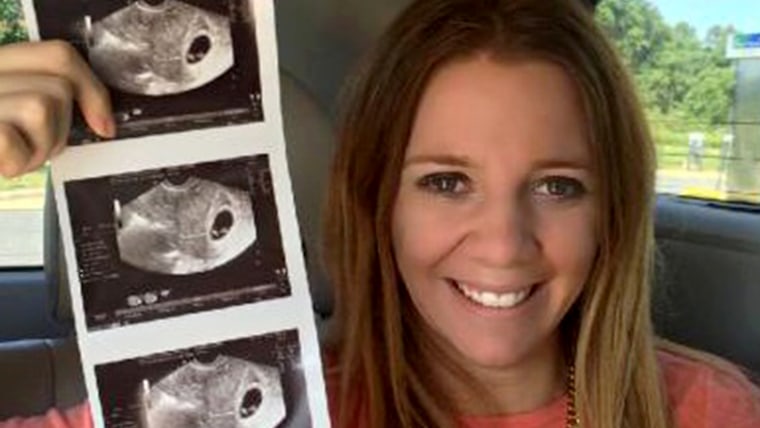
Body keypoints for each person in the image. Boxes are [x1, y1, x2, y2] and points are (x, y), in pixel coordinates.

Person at [1, 1, 759, 427]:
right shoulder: (255, 396)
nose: (502, 245)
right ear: (378, 204)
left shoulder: (708, 412)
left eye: (559, 186)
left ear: (613, 213)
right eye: (446, 182)